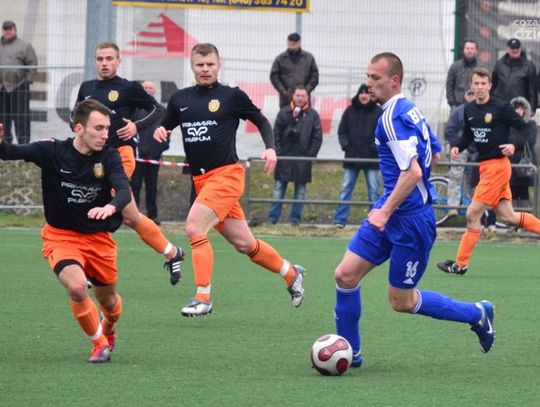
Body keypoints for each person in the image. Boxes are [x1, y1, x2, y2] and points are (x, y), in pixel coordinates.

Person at [333, 53, 496, 369]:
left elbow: (413, 173)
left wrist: (385, 211)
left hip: (410, 222)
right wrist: (390, 205)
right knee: (345, 275)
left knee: (402, 301)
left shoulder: (391, 118)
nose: (368, 83)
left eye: (375, 78)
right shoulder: (410, 109)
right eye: (368, 76)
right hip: (393, 209)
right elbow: (434, 149)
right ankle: (349, 352)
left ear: (394, 80)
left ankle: (477, 313)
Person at [154, 43, 306, 317]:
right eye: (200, 64)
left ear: (219, 65)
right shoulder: (180, 99)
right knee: (245, 244)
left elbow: (261, 120)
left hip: (226, 176)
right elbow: (166, 124)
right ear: (192, 66)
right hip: (202, 181)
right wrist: (160, 131)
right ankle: (290, 273)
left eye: (210, 64)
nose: (205, 69)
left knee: (194, 227)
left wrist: (270, 148)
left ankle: (203, 297)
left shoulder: (231, 96)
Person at [0, 99, 132, 363]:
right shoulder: (51, 151)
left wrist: (110, 206)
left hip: (99, 240)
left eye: (107, 128)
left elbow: (124, 190)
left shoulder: (109, 156)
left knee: (110, 304)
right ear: (79, 128)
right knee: (77, 287)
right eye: (99, 128)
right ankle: (99, 344)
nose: (105, 134)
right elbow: (10, 152)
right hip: (61, 237)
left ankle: (108, 327)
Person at [76, 42, 184, 284]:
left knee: (101, 204)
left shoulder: (128, 87)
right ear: (95, 62)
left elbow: (158, 110)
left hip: (121, 155)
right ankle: (172, 252)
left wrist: (137, 126)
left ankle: (92, 269)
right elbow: (76, 118)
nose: (104, 63)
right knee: (131, 216)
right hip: (94, 157)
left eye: (109, 59)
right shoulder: (87, 87)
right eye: (100, 59)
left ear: (118, 62)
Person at [437, 67, 540, 275]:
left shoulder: (500, 107)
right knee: (508, 217)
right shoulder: (469, 109)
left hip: (497, 167)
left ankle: (460, 264)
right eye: (476, 83)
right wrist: (458, 146)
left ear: (490, 85)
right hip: (486, 168)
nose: (480, 87)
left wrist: (513, 144)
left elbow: (525, 127)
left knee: (472, 213)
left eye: (483, 83)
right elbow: (468, 135)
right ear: (471, 85)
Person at [268, 85, 322, 225]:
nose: (300, 98)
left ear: (307, 97)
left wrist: (310, 155)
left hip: (303, 159)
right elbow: (276, 133)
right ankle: (272, 219)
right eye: (298, 95)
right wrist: (279, 152)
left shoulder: (313, 115)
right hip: (284, 158)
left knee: (300, 191)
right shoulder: (284, 112)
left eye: (303, 96)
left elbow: (317, 137)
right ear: (293, 96)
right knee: (278, 189)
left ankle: (295, 220)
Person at [333, 84, 382, 228]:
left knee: (374, 191)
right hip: (351, 158)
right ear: (358, 94)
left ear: (371, 95)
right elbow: (342, 132)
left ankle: (374, 223)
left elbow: (383, 134)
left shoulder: (378, 112)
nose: (364, 95)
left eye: (367, 93)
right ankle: (339, 220)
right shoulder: (350, 110)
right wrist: (347, 147)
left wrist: (374, 148)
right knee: (345, 189)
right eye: (361, 92)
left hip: (371, 159)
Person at [131, 80, 169, 225]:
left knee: (152, 186)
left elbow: (167, 131)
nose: (148, 90)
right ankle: (133, 215)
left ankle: (152, 215)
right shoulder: (135, 110)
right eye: (145, 87)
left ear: (154, 91)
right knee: (135, 185)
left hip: (154, 157)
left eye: (150, 88)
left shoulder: (161, 111)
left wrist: (159, 149)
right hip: (137, 156)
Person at [0, 20, 38, 145]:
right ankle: (5, 144)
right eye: (5, 29)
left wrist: (27, 81)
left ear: (15, 30)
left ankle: (23, 145)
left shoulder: (24, 46)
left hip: (19, 87)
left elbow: (32, 64)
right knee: (2, 118)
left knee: (21, 118)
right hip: (2, 88)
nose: (7, 31)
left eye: (10, 29)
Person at [444, 88, 477, 218]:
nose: (471, 96)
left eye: (473, 93)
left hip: (476, 150)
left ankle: (474, 208)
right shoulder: (458, 111)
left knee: (475, 180)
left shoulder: (482, 110)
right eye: (469, 94)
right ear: (465, 95)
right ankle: (453, 207)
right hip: (461, 150)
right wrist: (459, 145)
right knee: (456, 177)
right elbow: (449, 131)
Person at [270, 32, 319, 108]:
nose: (292, 43)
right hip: (286, 98)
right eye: (290, 40)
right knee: (285, 115)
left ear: (299, 42)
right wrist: (283, 91)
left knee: (304, 115)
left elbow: (315, 76)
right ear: (287, 42)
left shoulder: (308, 58)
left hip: (303, 98)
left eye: (295, 41)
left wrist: (306, 91)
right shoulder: (281, 58)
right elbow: (274, 76)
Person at [492, 38, 537, 114]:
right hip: (500, 106)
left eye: (517, 48)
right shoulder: (499, 64)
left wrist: (532, 109)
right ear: (507, 49)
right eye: (512, 48)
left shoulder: (529, 66)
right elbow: (493, 85)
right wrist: (491, 103)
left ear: (520, 48)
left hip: (519, 107)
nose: (515, 50)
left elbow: (532, 90)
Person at [508, 96, 537, 210]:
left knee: (524, 192)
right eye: (516, 108)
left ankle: (525, 217)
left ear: (525, 110)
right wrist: (519, 140)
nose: (518, 111)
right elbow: (507, 139)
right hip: (511, 162)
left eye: (521, 108)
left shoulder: (531, 124)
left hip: (525, 162)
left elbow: (531, 141)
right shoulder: (508, 125)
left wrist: (514, 143)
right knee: (513, 191)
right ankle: (514, 218)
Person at [446, 39, 480, 110]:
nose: (469, 51)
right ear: (464, 50)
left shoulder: (481, 68)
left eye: (472, 48)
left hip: (476, 106)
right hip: (457, 105)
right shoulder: (455, 66)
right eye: (467, 48)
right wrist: (452, 104)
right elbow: (449, 86)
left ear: (476, 51)